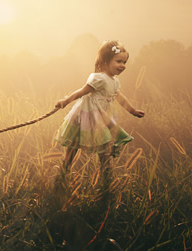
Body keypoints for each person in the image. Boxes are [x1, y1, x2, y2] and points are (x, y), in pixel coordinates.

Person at [53, 39, 146, 188]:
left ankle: (105, 177)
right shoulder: (98, 78)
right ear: (105, 62)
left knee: (105, 147)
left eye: (124, 62)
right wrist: (65, 101)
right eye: (118, 61)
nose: (122, 66)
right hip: (86, 116)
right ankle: (64, 172)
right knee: (73, 145)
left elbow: (120, 98)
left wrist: (133, 110)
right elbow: (82, 92)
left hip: (102, 117)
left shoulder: (114, 81)